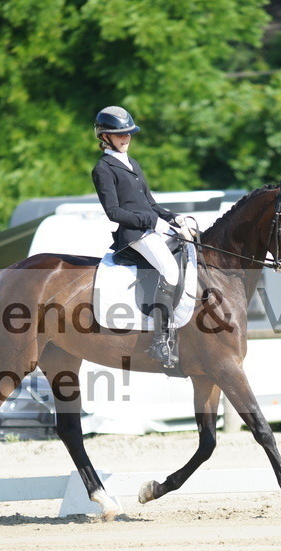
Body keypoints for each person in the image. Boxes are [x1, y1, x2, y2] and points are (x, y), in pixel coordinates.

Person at [90, 106, 197, 368]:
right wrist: (152, 222)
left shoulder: (133, 163)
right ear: (105, 137)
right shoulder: (103, 169)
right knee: (170, 271)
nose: (126, 138)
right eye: (120, 135)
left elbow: (150, 203)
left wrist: (174, 217)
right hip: (134, 234)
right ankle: (160, 342)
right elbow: (114, 212)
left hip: (151, 227)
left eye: (128, 134)